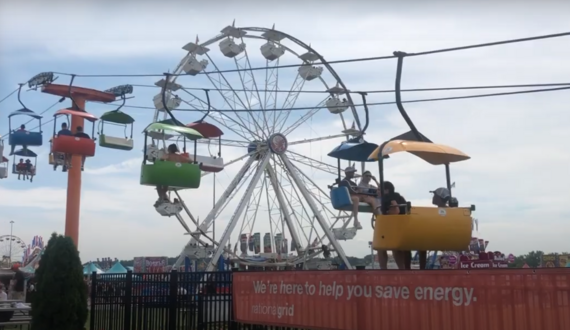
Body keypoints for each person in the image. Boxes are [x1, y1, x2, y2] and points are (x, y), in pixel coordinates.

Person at [380, 181, 411, 270]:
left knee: (380, 247)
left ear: (386, 190)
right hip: (403, 226)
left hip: (392, 226)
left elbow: (396, 210)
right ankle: (402, 268)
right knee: (396, 249)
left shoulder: (388, 198)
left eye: (379, 189)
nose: (378, 191)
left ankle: (383, 269)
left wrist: (386, 213)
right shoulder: (400, 197)